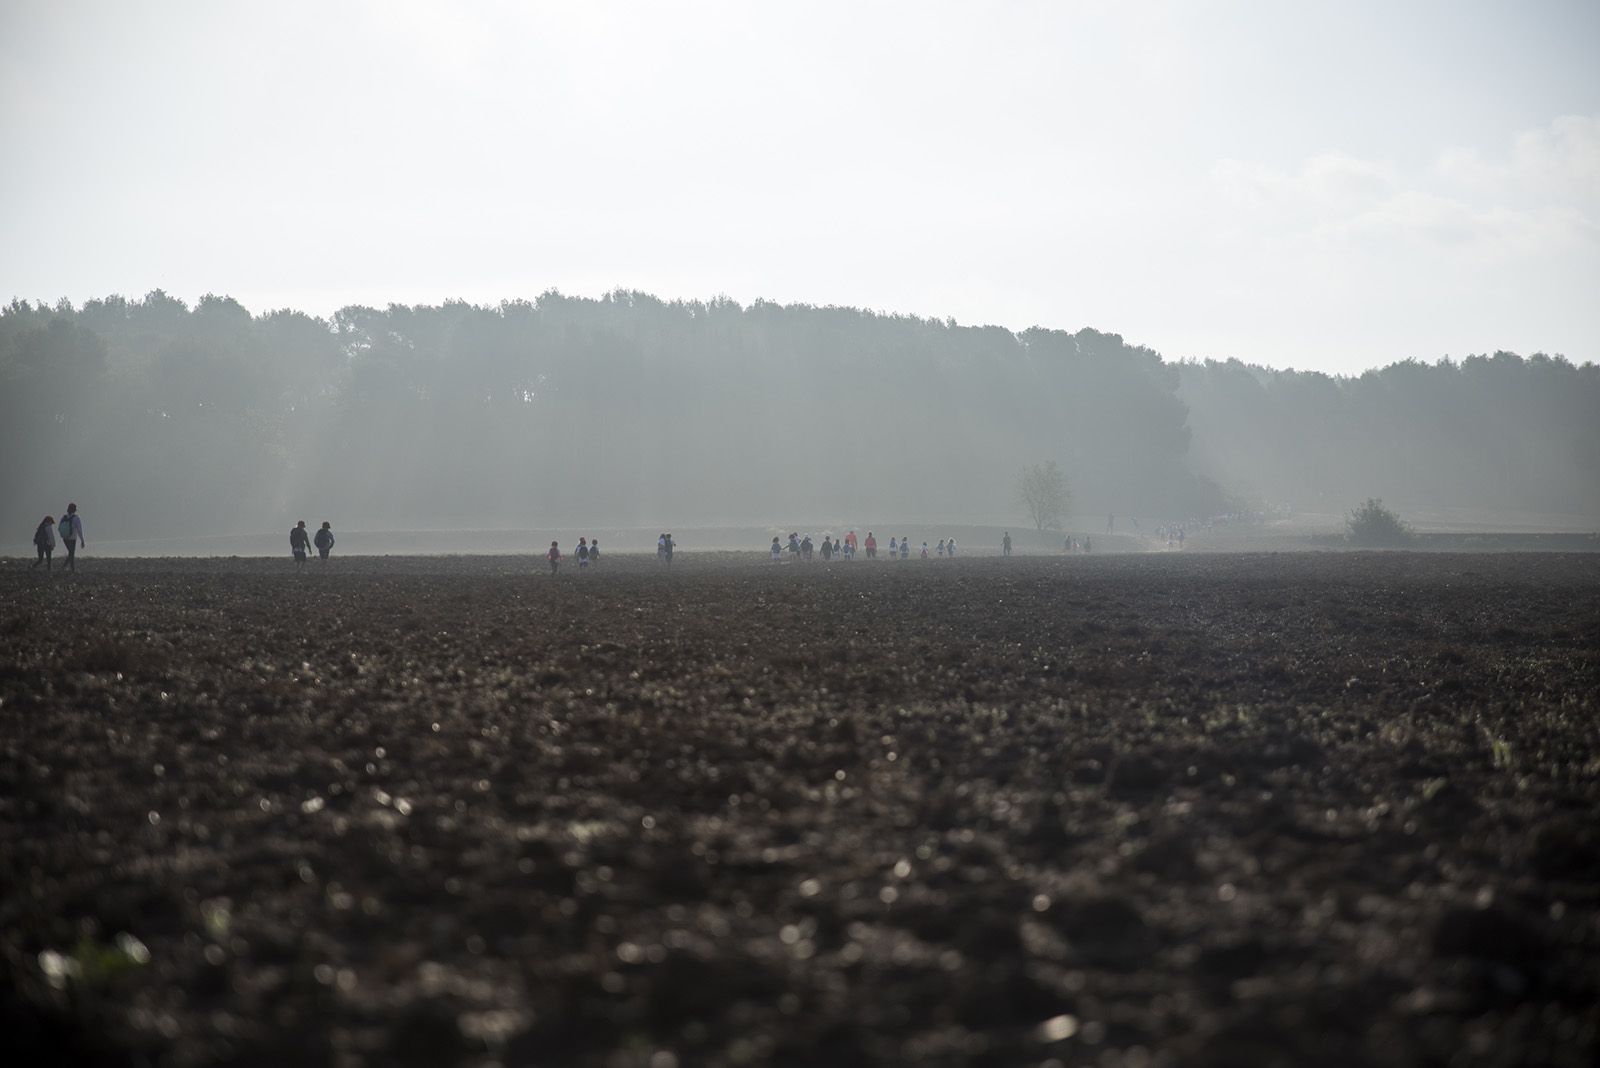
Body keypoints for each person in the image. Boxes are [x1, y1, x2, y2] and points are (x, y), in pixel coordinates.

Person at [59, 503, 85, 572]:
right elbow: (79, 530)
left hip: (65, 538)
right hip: (72, 538)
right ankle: (71, 569)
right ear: (75, 510)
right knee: (71, 553)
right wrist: (82, 540)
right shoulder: (76, 518)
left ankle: (65, 567)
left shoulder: (64, 517)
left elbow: (59, 528)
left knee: (70, 553)